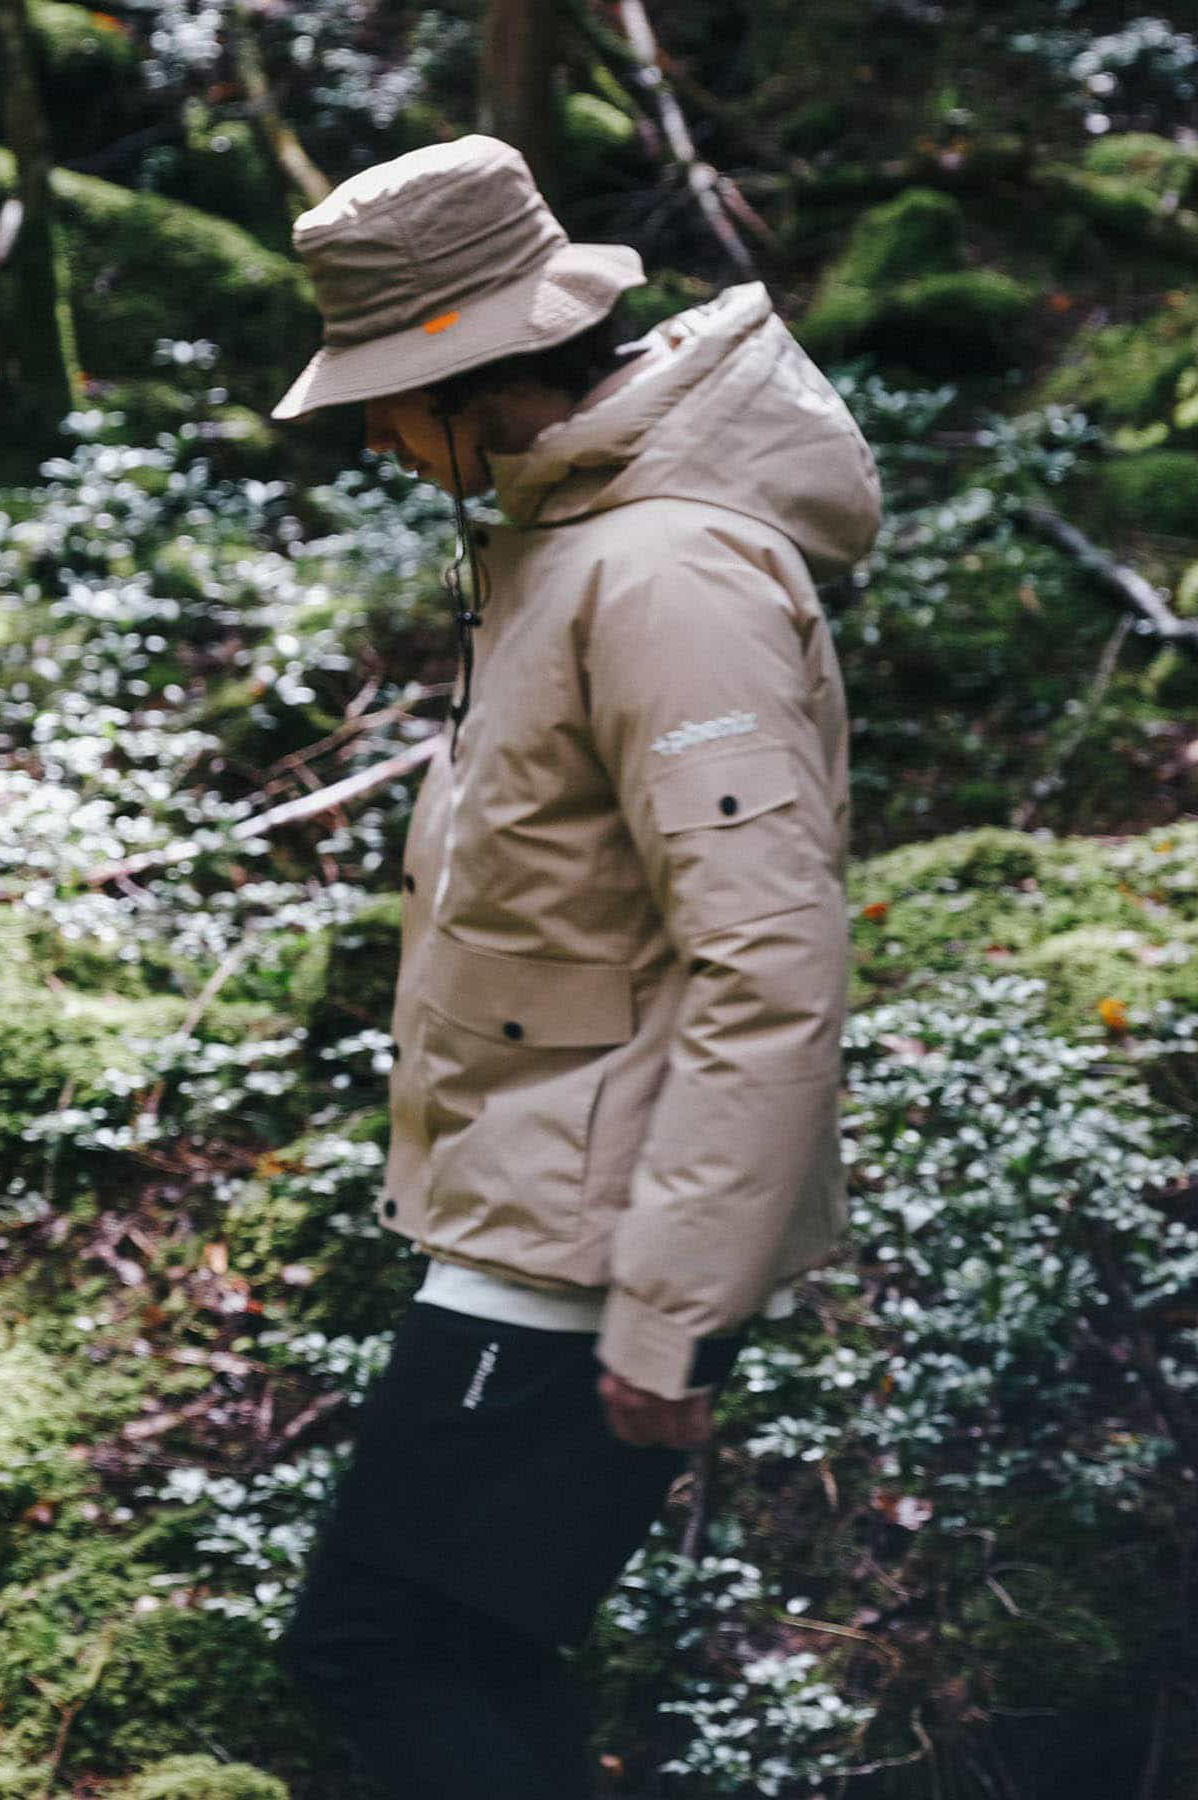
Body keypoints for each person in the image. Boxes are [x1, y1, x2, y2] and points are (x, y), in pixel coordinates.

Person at [268, 134, 881, 1799]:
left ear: (480, 374)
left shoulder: (665, 574)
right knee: (475, 1650)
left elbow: (770, 961)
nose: (379, 438)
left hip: (589, 1244)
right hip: (542, 1203)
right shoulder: (578, 541)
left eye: (385, 399)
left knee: (373, 1647)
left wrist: (670, 1306)